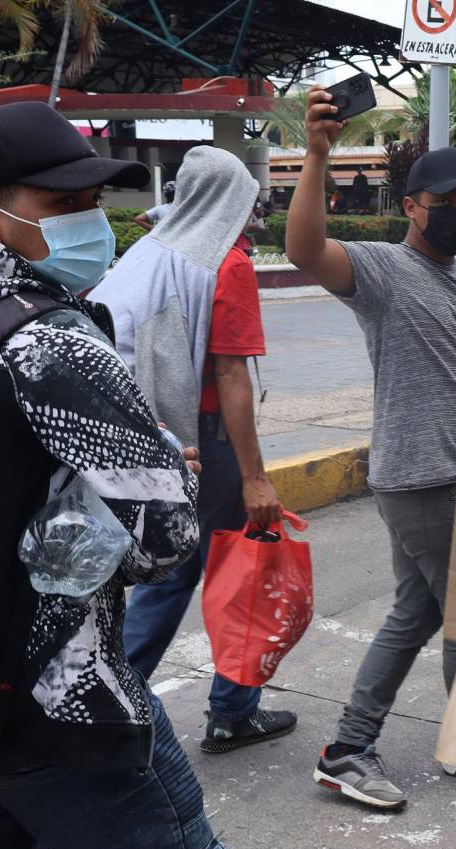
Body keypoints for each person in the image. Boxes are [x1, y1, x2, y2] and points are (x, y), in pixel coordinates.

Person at [0, 101, 228, 849]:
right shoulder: (48, 340)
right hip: (55, 694)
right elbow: (165, 537)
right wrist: (159, 465)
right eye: (61, 204)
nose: (90, 220)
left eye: (91, 201)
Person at [286, 87, 456, 810]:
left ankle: (351, 745)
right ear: (411, 204)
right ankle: (447, 737)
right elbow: (305, 249)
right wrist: (317, 154)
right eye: (448, 199)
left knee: (419, 609)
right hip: (420, 475)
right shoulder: (382, 270)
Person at [92, 145, 297, 755]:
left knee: (169, 572)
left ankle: (106, 704)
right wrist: (254, 478)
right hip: (208, 442)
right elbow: (231, 375)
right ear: (232, 200)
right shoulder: (223, 263)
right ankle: (230, 711)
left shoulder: (152, 250)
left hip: (158, 434)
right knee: (240, 570)